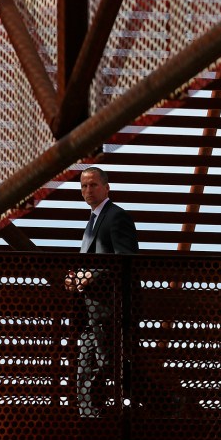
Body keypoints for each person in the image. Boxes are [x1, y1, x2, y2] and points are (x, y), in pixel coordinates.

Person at [64, 166, 138, 417]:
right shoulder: (94, 219)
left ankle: (152, 404)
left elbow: (126, 260)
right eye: (83, 186)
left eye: (93, 185)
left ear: (107, 188)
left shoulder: (117, 217)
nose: (87, 190)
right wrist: (76, 279)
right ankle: (89, 418)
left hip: (110, 311)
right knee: (86, 365)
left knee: (110, 365)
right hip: (90, 311)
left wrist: (90, 276)